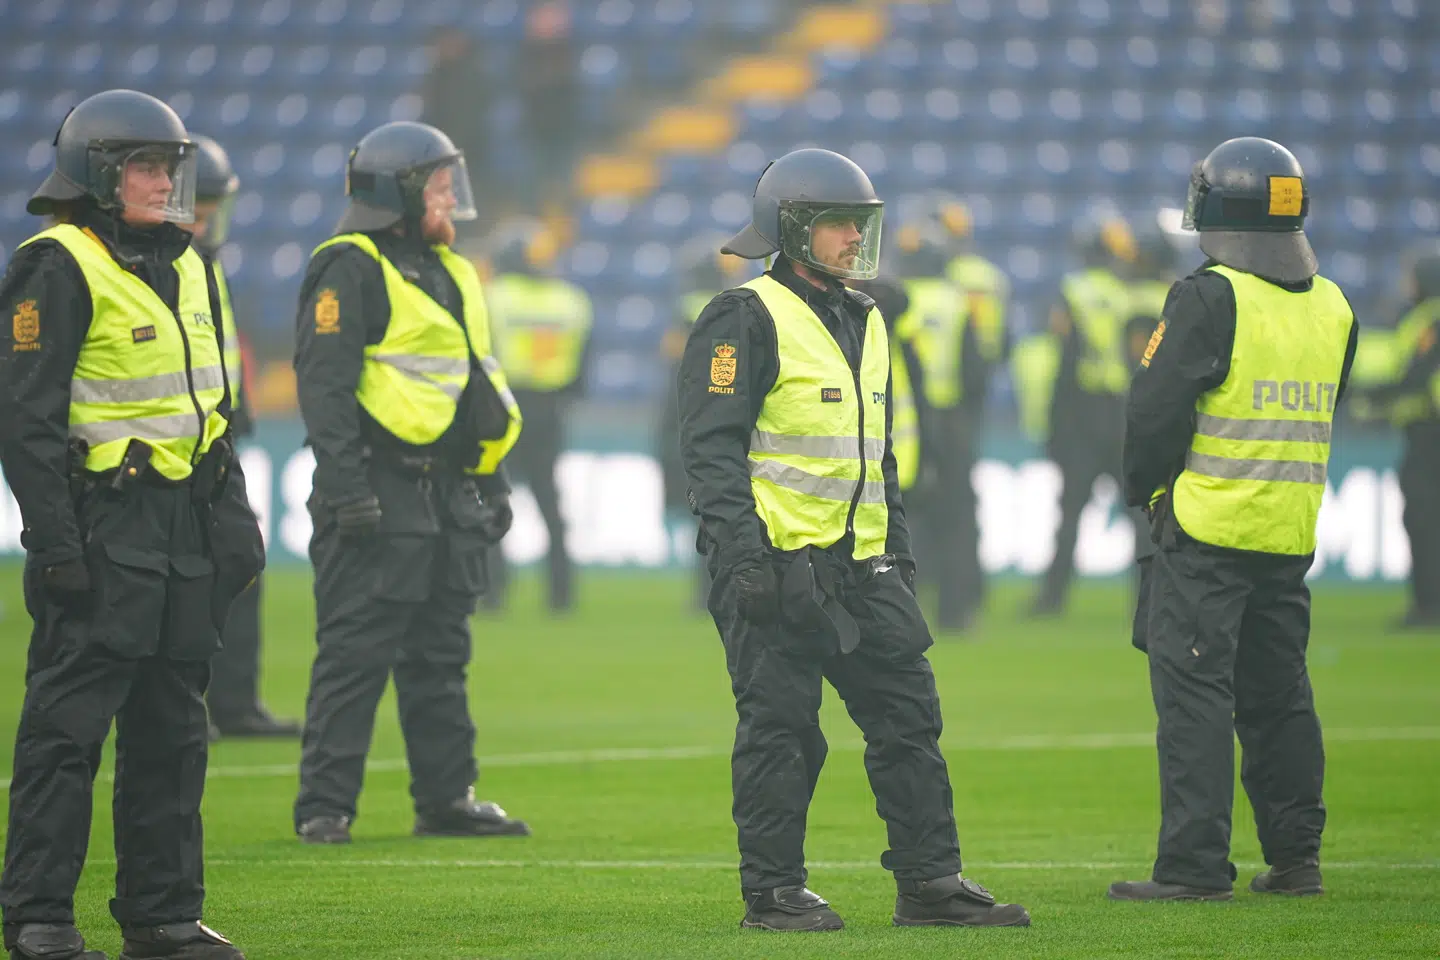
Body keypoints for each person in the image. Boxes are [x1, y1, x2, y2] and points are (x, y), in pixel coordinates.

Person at [678, 147, 1029, 931]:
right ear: (792, 229)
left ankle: (930, 882)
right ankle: (772, 893)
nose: (854, 239)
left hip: (866, 567)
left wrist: (898, 552)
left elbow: (879, 453)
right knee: (782, 731)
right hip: (777, 566)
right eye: (838, 223)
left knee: (910, 718)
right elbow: (710, 452)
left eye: (860, 223)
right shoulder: (743, 315)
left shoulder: (868, 316)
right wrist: (742, 561)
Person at [0, 89, 263, 960]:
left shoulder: (191, 263)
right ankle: (39, 917)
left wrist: (233, 517)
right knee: (66, 736)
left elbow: (213, 409)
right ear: (102, 174)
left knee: (174, 735)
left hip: (182, 529)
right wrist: (55, 545)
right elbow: (26, 423)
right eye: (148, 167)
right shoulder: (56, 263)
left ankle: (163, 917)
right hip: (101, 525)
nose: (165, 183)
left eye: (172, 167)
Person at [1112, 137, 1358, 901]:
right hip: (1287, 533)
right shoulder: (1336, 305)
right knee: (1280, 699)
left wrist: (1148, 494)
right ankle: (1296, 861)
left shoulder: (1210, 294)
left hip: (1209, 530)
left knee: (1195, 699)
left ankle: (1192, 868)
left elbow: (1152, 412)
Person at [290, 121, 529, 845]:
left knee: (441, 653)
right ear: (397, 191)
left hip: (445, 488)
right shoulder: (348, 265)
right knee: (355, 652)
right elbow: (324, 389)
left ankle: (446, 800)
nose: (454, 198)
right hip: (375, 483)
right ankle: (324, 807)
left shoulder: (452, 268)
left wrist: (493, 480)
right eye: (439, 184)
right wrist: (345, 487)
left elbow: (473, 388)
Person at [187, 133, 301, 739]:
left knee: (240, 563)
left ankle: (235, 705)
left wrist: (240, 412)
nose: (209, 218)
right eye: (200, 203)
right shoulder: (152, 267)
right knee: (173, 582)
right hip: (165, 450)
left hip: (219, 445)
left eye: (214, 204)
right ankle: (174, 708)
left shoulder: (205, 263)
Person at [888, 220, 1001, 631]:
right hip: (950, 419)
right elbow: (976, 371)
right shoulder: (957, 302)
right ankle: (956, 612)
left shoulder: (891, 301)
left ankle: (900, 609)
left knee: (901, 519)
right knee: (956, 519)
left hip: (903, 420)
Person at [1030, 213, 1143, 617]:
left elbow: (1063, 359)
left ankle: (1051, 600)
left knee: (1071, 513)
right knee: (1138, 515)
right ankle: (1146, 601)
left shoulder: (1072, 290)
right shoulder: (1130, 293)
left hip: (1081, 412)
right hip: (1122, 413)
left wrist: (1054, 425)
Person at [481, 223, 592, 613]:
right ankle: (561, 594)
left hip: (502, 404)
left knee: (492, 498)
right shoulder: (571, 300)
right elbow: (583, 369)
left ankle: (493, 591)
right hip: (551, 409)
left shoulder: (494, 297)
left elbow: (480, 354)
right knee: (550, 503)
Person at [1350, 245, 1440, 630]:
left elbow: (1417, 374)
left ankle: (1429, 607)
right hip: (1421, 432)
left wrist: (1373, 398)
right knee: (1422, 520)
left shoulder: (1431, 320)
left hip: (1429, 434)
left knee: (1424, 521)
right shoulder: (1421, 319)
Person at [661, 236, 750, 611]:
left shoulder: (687, 309)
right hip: (730, 414)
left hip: (691, 415)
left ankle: (705, 594)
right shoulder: (739, 306)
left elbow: (673, 361)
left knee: (702, 510)